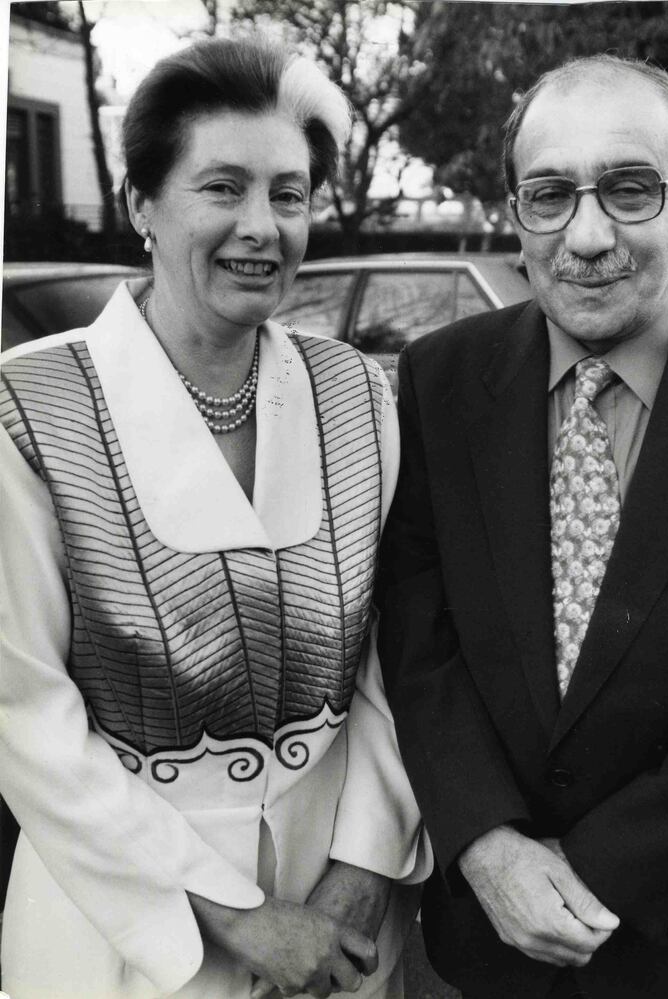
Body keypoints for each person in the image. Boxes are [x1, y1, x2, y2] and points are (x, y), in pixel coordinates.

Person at [0, 37, 430, 999]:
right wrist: (241, 916)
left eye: (289, 194)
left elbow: (400, 659)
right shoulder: (29, 408)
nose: (262, 226)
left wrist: (362, 871)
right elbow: (21, 713)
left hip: (344, 922)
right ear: (138, 204)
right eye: (222, 187)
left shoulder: (359, 391)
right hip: (123, 928)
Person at [377, 53, 668, 999]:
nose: (589, 233)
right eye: (551, 194)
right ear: (517, 213)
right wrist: (485, 843)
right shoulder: (440, 380)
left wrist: (598, 869)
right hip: (490, 949)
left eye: (630, 189)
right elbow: (418, 630)